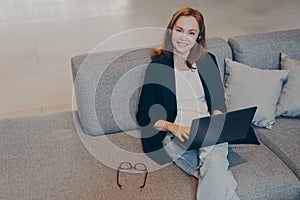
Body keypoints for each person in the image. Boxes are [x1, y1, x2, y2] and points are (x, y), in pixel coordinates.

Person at [136, 7, 239, 200]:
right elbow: (143, 115)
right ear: (170, 31)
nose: (183, 38)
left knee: (214, 163)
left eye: (191, 33)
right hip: (176, 135)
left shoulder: (207, 61)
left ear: (199, 37)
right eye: (179, 30)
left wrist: (216, 117)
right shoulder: (158, 67)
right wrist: (173, 127)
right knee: (217, 166)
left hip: (208, 130)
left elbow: (218, 101)